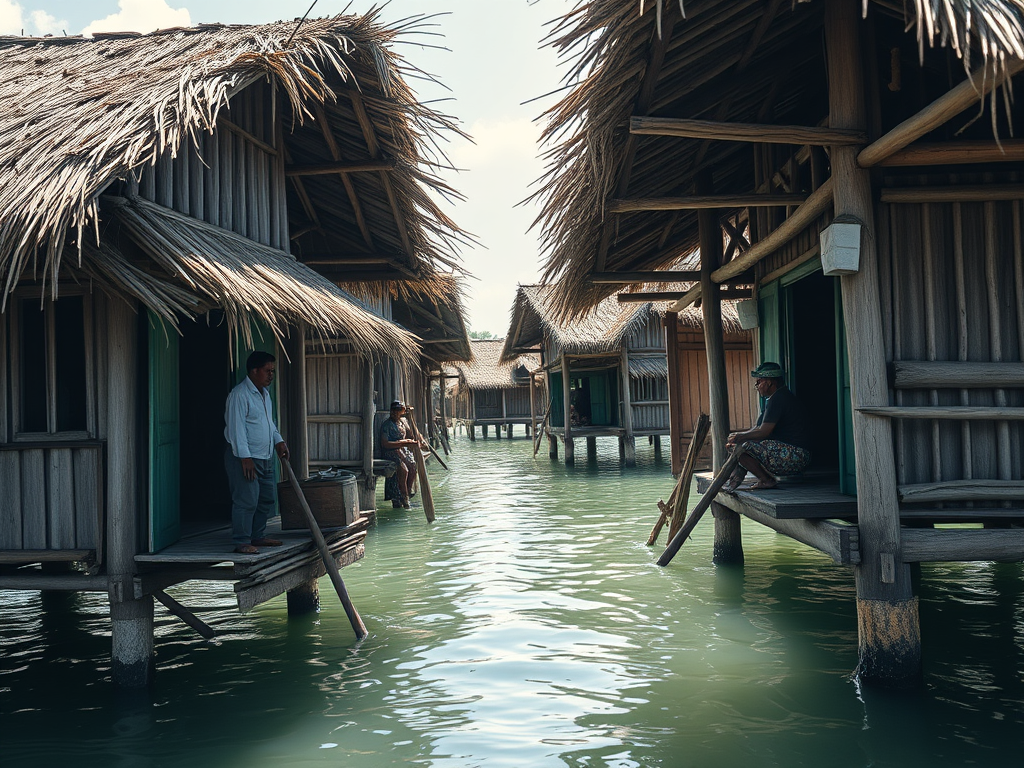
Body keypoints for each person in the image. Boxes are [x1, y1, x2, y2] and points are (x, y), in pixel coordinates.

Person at [224, 350, 290, 554]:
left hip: (265, 456)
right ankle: (242, 541)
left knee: (266, 499)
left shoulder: (265, 395)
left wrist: (278, 440)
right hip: (244, 457)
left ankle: (257, 536)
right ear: (254, 371)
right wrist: (245, 457)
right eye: (267, 371)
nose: (271, 375)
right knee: (247, 500)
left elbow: (269, 423)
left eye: (273, 371)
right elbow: (236, 429)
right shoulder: (239, 394)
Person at [724, 361, 812, 492]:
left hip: (797, 455)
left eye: (759, 382)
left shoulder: (779, 399)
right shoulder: (775, 398)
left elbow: (764, 432)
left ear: (769, 382)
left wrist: (741, 438)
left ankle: (767, 480)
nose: (757, 386)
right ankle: (735, 479)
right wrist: (739, 436)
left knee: (743, 447)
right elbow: (757, 428)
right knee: (738, 445)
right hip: (795, 453)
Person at [380, 400, 419, 509]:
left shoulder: (403, 422)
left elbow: (411, 435)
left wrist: (416, 441)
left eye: (398, 410)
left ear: (402, 411)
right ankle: (404, 499)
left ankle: (407, 492)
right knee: (403, 470)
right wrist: (404, 442)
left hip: (402, 451)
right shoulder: (387, 425)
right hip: (390, 452)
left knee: (412, 467)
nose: (395, 413)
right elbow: (385, 444)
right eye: (393, 410)